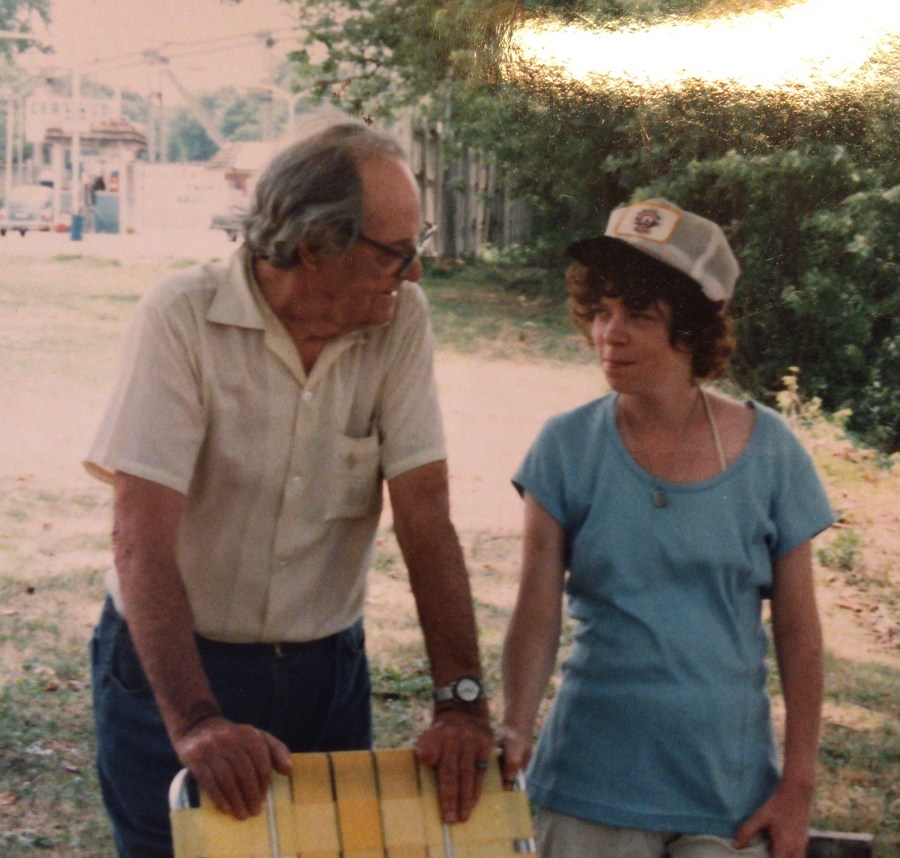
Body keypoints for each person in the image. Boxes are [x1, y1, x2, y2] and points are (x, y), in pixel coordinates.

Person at [85, 118, 493, 858]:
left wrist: (460, 700)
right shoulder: (181, 316)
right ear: (315, 246)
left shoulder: (401, 320)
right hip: (174, 665)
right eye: (397, 254)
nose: (414, 275)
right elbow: (140, 539)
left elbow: (425, 517)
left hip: (324, 671)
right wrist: (197, 721)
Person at [498, 199, 834, 858]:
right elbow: (536, 608)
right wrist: (515, 723)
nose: (610, 334)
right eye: (601, 312)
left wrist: (796, 784)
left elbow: (799, 632)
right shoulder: (565, 447)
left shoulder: (771, 451)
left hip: (727, 793)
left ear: (692, 329)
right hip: (590, 785)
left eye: (638, 315)